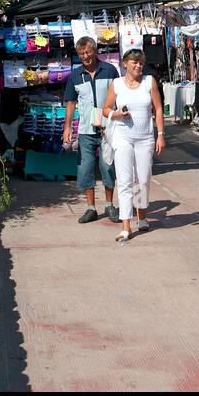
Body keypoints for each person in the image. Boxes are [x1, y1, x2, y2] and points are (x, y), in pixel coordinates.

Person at [100, 48, 165, 243]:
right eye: (134, 62)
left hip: (145, 138)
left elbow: (158, 108)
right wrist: (116, 114)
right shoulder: (117, 84)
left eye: (141, 63)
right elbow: (105, 109)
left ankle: (142, 216)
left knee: (143, 179)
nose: (138, 66)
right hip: (123, 137)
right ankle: (126, 226)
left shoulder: (149, 82)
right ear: (125, 63)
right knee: (125, 180)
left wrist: (160, 134)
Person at [63, 37, 120, 224]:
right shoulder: (75, 75)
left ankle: (110, 205)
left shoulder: (110, 70)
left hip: (107, 129)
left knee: (108, 167)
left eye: (88, 52)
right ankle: (91, 208)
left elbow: (119, 97)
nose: (85, 57)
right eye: (81, 54)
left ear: (95, 51)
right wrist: (67, 127)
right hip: (86, 130)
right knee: (85, 168)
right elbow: (71, 103)